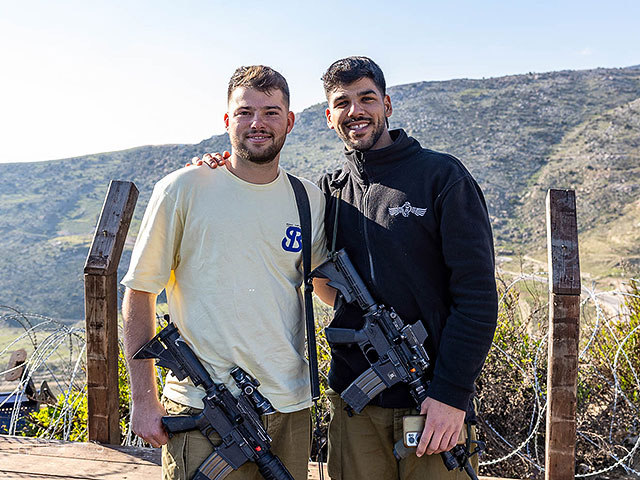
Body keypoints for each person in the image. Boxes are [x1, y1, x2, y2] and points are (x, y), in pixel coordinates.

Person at [200, 56, 498, 480]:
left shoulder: (441, 177)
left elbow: (478, 297)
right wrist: (216, 170)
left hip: (432, 404)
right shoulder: (328, 192)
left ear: (387, 105)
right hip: (354, 408)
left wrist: (452, 395)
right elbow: (314, 272)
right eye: (342, 103)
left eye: (366, 98)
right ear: (328, 116)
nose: (355, 111)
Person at [122, 65, 331, 480]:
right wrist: (144, 400)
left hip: (289, 406)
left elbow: (322, 285)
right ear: (226, 120)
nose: (258, 123)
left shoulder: (308, 199)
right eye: (245, 112)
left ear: (289, 121)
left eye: (271, 112)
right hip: (205, 409)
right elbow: (140, 293)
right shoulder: (183, 188)